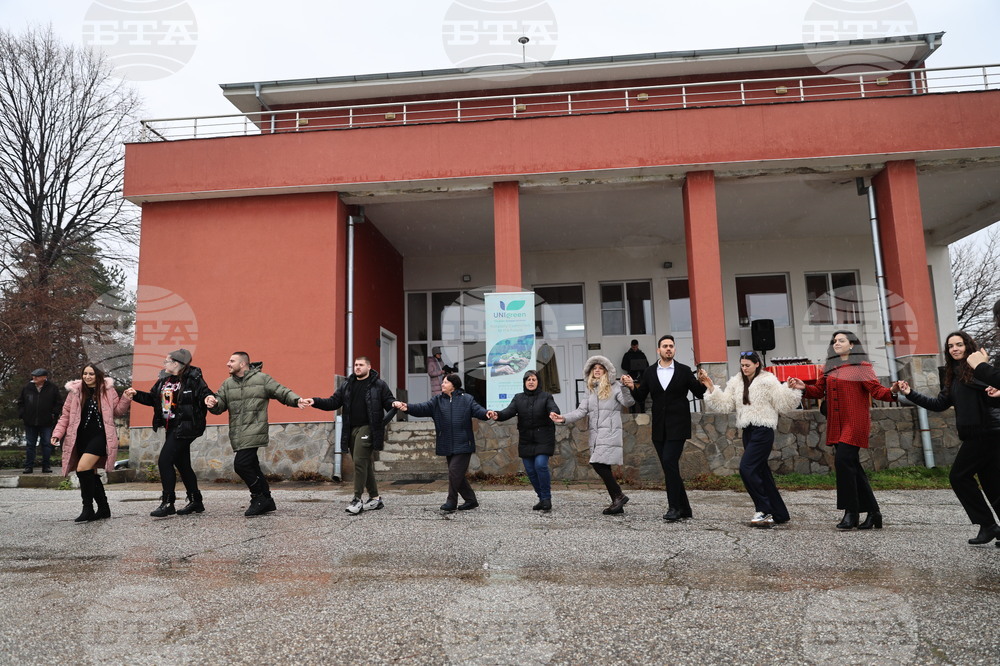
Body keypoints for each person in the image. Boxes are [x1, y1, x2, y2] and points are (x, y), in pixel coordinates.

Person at [900, 331, 1000, 545]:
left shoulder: (976, 368)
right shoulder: (952, 374)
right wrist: (910, 393)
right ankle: (992, 526)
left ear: (968, 346)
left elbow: (993, 390)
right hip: (975, 434)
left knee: (959, 476)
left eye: (959, 344)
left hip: (986, 432)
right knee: (992, 484)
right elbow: (940, 404)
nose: (955, 349)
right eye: (951, 346)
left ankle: (988, 525)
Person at [793, 331, 900, 530]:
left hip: (855, 422)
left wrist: (893, 391)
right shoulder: (829, 367)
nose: (837, 343)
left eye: (841, 340)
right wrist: (803, 387)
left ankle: (851, 512)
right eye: (834, 341)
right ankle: (874, 513)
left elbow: (877, 391)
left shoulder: (862, 367)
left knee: (843, 461)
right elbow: (818, 391)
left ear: (852, 345)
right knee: (852, 466)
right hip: (837, 423)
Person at [700, 352, 802, 527]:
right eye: (742, 365)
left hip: (764, 429)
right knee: (761, 472)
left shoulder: (768, 380)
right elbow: (725, 404)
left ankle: (764, 510)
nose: (744, 368)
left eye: (747, 365)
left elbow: (782, 403)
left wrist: (791, 389)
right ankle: (779, 513)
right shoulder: (736, 382)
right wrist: (710, 386)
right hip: (748, 430)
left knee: (747, 468)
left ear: (757, 364)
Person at [205, 352, 305, 517]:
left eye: (232, 361)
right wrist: (212, 403)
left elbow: (281, 391)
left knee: (241, 465)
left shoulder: (262, 379)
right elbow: (219, 404)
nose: (227, 364)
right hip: (237, 431)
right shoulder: (227, 384)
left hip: (254, 429)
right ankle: (266, 499)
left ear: (243, 364)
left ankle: (258, 497)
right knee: (252, 466)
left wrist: (296, 400)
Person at [124, 349, 214, 517]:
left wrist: (208, 399)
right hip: (171, 427)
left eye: (166, 361)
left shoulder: (192, 378)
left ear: (176, 363)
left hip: (186, 427)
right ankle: (196, 501)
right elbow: (153, 399)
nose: (164, 364)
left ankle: (168, 502)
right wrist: (136, 395)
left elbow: (204, 393)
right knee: (182, 464)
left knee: (165, 461)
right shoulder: (163, 381)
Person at [303, 356, 397, 515]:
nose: (357, 367)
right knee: (363, 463)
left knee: (360, 461)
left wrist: (393, 406)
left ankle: (357, 499)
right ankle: (375, 498)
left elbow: (389, 402)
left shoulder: (379, 385)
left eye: (361, 365)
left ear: (369, 367)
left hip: (368, 428)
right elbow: (333, 402)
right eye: (356, 365)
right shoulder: (347, 385)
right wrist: (315, 401)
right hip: (351, 428)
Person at [629, 334, 707, 522]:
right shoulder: (649, 372)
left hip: (678, 426)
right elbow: (640, 397)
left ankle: (674, 508)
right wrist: (632, 386)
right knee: (669, 467)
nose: (668, 348)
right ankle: (685, 508)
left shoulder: (684, 370)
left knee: (669, 462)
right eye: (665, 346)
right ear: (659, 350)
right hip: (659, 428)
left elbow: (699, 393)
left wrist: (703, 381)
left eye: (671, 346)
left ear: (674, 349)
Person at [550, 356, 635, 515]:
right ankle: (617, 502)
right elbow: (581, 411)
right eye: (594, 368)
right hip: (596, 433)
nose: (597, 370)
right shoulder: (590, 390)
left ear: (606, 371)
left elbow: (628, 403)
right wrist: (563, 418)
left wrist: (625, 387)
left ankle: (619, 495)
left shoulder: (615, 386)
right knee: (604, 465)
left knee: (597, 463)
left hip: (609, 431)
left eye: (600, 368)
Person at [51, 363, 132, 522]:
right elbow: (65, 416)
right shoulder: (75, 392)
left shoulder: (108, 390)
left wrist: (126, 399)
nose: (87, 377)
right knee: (90, 472)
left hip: (101, 435)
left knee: (82, 469)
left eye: (91, 374)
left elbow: (117, 411)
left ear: (98, 376)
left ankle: (87, 508)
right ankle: (103, 508)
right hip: (81, 436)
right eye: (85, 374)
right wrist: (57, 434)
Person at [398, 373, 489, 512]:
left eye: (445, 382)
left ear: (454, 385)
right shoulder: (437, 401)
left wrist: (486, 413)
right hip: (446, 443)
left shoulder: (467, 399)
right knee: (456, 474)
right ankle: (471, 500)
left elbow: (478, 410)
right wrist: (407, 407)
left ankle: (451, 501)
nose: (442, 384)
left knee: (454, 471)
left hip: (464, 443)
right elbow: (422, 408)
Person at [487, 370, 560, 511]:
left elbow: (553, 407)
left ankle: (546, 498)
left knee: (540, 465)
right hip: (526, 439)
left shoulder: (546, 396)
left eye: (533, 379)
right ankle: (541, 498)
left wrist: (554, 412)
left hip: (544, 438)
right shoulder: (518, 398)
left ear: (538, 382)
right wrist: (497, 414)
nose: (531, 382)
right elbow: (508, 411)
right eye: (528, 380)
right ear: (524, 383)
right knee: (531, 471)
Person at [17, 368, 63, 474]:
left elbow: (58, 402)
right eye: (33, 376)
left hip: (46, 421)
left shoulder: (52, 388)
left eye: (37, 376)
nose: (34, 378)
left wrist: (53, 414)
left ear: (44, 377)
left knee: (46, 444)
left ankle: (46, 466)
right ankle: (28, 467)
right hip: (30, 421)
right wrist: (23, 414)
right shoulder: (27, 387)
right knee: (30, 444)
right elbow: (21, 402)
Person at [621, 339, 649, 413]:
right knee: (632, 395)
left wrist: (641, 368)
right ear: (631, 346)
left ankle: (642, 411)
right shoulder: (627, 355)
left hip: (641, 378)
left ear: (638, 346)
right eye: (633, 347)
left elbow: (647, 365)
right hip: (631, 378)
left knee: (642, 393)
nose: (635, 349)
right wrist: (631, 367)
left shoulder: (642, 354)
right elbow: (623, 366)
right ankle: (632, 412)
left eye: (636, 347)